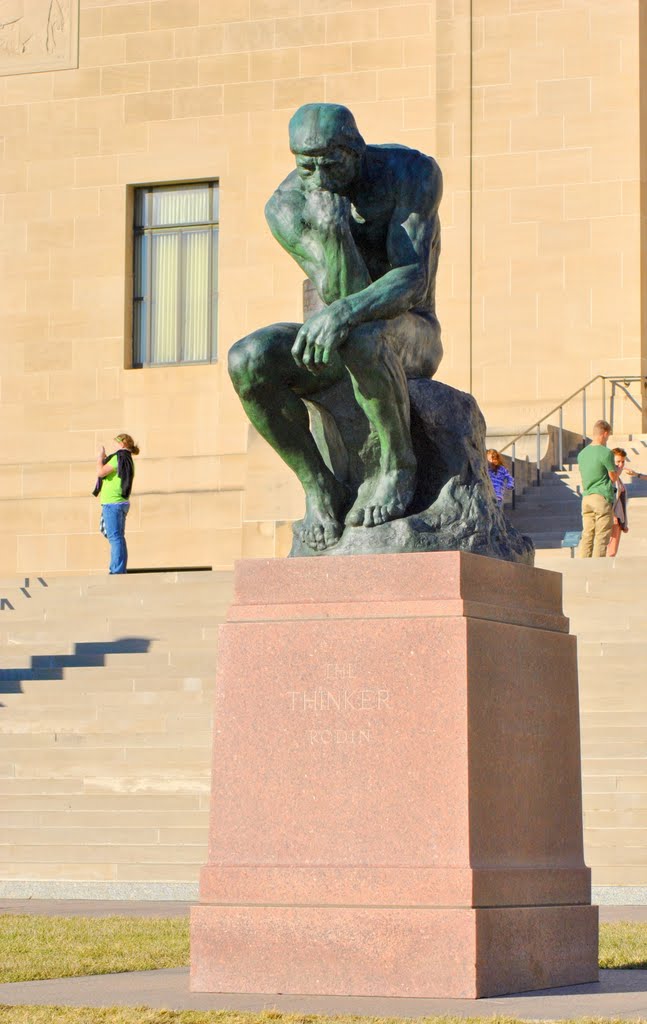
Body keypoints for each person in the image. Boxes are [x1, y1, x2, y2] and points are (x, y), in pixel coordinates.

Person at [228, 102, 443, 551]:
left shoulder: (412, 172)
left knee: (362, 331)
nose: (319, 177)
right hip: (338, 335)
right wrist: (333, 233)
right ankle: (319, 486)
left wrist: (347, 312)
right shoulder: (285, 207)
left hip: (412, 332)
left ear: (356, 149)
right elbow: (335, 290)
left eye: (330, 163)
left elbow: (411, 278)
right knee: (247, 359)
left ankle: (397, 466)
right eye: (307, 165)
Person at [93, 433, 139, 574]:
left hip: (113, 503)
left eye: (116, 443)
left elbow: (100, 472)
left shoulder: (118, 458)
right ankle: (119, 568)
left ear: (123, 443)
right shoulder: (128, 459)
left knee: (115, 538)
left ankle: (117, 570)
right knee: (118, 537)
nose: (114, 446)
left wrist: (100, 458)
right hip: (119, 503)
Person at [577, 420, 619, 558]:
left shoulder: (582, 454)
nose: (607, 439)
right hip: (601, 497)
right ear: (604, 434)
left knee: (587, 534)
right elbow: (613, 478)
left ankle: (583, 566)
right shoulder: (606, 453)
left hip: (586, 497)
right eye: (608, 436)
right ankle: (596, 568)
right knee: (601, 536)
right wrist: (619, 470)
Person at [607, 447, 629, 558]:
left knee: (613, 551)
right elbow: (607, 499)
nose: (620, 465)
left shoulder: (618, 479)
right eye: (618, 462)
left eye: (623, 461)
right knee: (610, 552)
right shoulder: (609, 479)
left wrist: (624, 523)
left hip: (619, 519)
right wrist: (613, 515)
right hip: (612, 518)